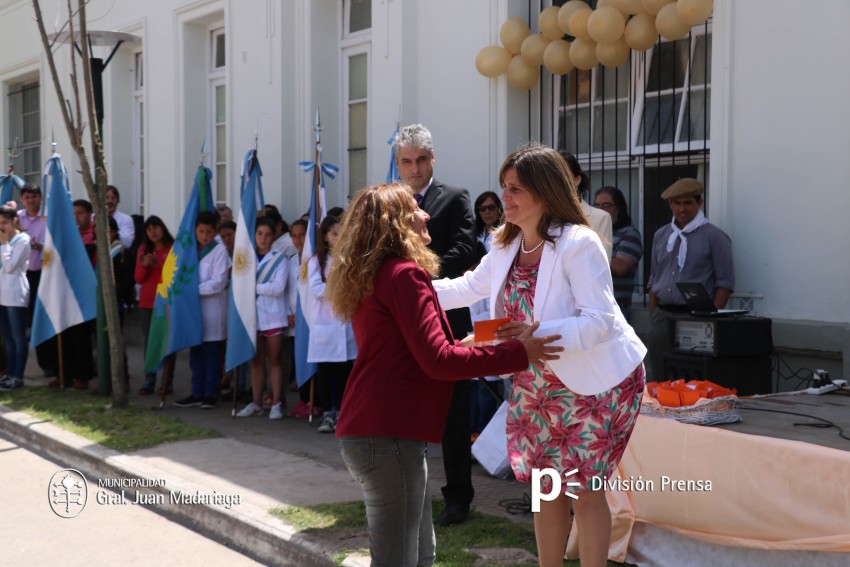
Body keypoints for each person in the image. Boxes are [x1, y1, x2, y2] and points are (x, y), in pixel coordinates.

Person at [433, 144, 647, 567]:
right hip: (536, 381)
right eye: (504, 188)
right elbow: (466, 288)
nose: (504, 198)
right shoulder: (503, 243)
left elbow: (600, 321)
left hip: (598, 382)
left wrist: (535, 333)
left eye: (515, 189)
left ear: (545, 191)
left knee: (585, 492)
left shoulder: (579, 243)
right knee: (547, 488)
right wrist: (404, 288)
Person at [326, 183, 561, 567]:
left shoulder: (381, 273)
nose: (425, 213)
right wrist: (520, 353)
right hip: (385, 434)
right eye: (415, 208)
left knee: (419, 556)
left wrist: (477, 341)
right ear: (397, 221)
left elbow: (425, 346)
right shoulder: (403, 274)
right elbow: (439, 360)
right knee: (401, 559)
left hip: (382, 432)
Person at [394, 123, 477, 526]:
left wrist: (417, 276)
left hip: (448, 319)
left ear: (432, 159)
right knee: (404, 407)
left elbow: (465, 250)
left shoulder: (455, 198)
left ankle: (458, 498)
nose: (414, 169)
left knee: (453, 414)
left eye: (420, 160)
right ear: (398, 164)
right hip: (399, 320)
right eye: (406, 162)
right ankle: (404, 494)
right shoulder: (389, 203)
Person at [647, 178, 734, 380]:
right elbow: (654, 277)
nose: (681, 209)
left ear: (699, 203)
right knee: (661, 375)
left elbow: (725, 283)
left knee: (693, 377)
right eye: (676, 203)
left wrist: (709, 320)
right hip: (662, 316)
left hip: (695, 317)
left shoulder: (715, 236)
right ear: (670, 205)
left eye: (687, 203)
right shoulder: (661, 235)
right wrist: (653, 314)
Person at [305, 214, 357, 433]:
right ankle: (328, 413)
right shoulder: (316, 260)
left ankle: (344, 414)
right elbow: (317, 289)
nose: (338, 237)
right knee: (327, 373)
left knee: (346, 373)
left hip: (346, 325)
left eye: (342, 232)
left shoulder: (352, 258)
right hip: (326, 324)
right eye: (334, 233)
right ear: (326, 236)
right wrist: (341, 292)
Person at [174, 211, 230, 409]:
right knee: (195, 352)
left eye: (208, 232)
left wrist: (190, 291)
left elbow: (218, 282)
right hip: (193, 309)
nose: (204, 236)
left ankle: (210, 392)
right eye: (201, 231)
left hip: (212, 309)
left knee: (212, 353)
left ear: (215, 231)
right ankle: (196, 391)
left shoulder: (219, 251)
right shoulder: (189, 249)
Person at [236, 217, 290, 419]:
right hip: (252, 315)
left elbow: (278, 288)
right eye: (260, 234)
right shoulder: (245, 258)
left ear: (273, 236)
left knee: (274, 359)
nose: (263, 238)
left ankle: (276, 403)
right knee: (256, 361)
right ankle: (256, 402)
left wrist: (253, 287)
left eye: (267, 235)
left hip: (274, 316)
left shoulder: (280, 259)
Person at [469, 190, 505, 437]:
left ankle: (485, 434)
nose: (488, 212)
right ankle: (474, 434)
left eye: (492, 207)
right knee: (475, 377)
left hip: (493, 315)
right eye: (483, 209)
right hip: (474, 311)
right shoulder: (473, 237)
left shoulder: (505, 235)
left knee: (490, 379)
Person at [17, 185, 57, 377]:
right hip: (22, 275)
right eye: (27, 197)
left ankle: (49, 363)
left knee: (44, 318)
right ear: (22, 199)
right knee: (28, 320)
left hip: (45, 273)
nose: (31, 200)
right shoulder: (17, 218)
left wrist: (40, 247)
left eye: (34, 196)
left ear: (40, 198)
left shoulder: (48, 217)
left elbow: (55, 245)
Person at [134, 215, 176, 395]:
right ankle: (149, 379)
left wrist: (157, 264)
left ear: (163, 228)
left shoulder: (172, 248)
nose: (153, 232)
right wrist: (145, 265)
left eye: (156, 227)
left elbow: (174, 275)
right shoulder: (143, 249)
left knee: (167, 342)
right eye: (149, 229)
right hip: (147, 303)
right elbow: (138, 278)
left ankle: (167, 382)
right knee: (149, 342)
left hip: (166, 301)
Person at [594, 186, 643, 322]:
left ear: (618, 208)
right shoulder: (593, 233)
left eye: (606, 205)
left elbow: (621, 267)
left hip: (615, 307)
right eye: (597, 205)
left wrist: (592, 251)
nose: (600, 210)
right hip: (593, 305)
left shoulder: (629, 234)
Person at [285, 218, 318, 418]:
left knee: (313, 361)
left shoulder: (314, 260)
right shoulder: (290, 261)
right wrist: (289, 312)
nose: (298, 240)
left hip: (310, 319)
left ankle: (315, 401)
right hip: (294, 320)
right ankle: (303, 400)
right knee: (298, 359)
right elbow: (289, 290)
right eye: (294, 236)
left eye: (302, 235)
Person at [0, 203, 30, 391]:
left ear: (14, 221)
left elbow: (10, 267)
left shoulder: (22, 239)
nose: (2, 226)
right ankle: (9, 374)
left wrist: (4, 244)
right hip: (2, 294)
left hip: (16, 294)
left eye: (4, 222)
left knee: (18, 336)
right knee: (7, 338)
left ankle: (18, 376)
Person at [560, 151, 613, 260]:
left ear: (577, 180)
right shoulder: (543, 216)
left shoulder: (600, 218)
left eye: (563, 176)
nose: (556, 183)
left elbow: (601, 264)